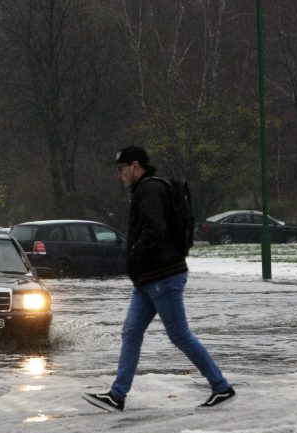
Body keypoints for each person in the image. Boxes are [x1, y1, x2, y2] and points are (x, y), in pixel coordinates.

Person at [83, 146, 235, 412]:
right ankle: (117, 395)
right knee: (131, 331)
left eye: (121, 170)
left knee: (179, 335)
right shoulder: (145, 190)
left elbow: (154, 229)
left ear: (135, 166)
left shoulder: (150, 190)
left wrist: (134, 252)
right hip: (148, 279)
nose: (120, 176)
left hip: (162, 276)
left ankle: (221, 386)